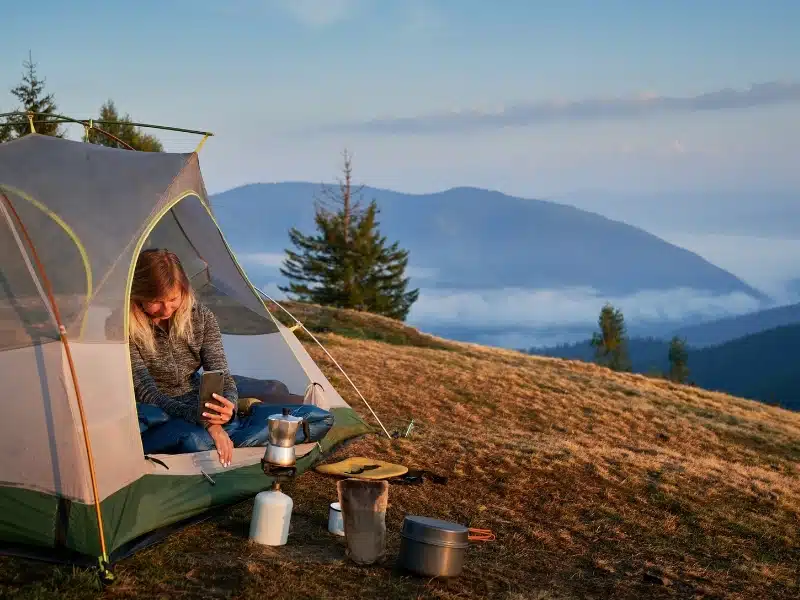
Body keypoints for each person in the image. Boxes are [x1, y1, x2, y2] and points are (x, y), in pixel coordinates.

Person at [129, 248, 271, 466]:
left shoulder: (201, 317)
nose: (166, 309)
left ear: (184, 290)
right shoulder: (123, 326)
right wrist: (209, 424)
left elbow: (220, 373)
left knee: (276, 390)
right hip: (156, 408)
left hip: (195, 397)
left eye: (173, 298)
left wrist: (228, 406)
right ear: (138, 294)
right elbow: (146, 391)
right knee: (198, 440)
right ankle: (241, 421)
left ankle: (241, 410)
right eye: (156, 301)